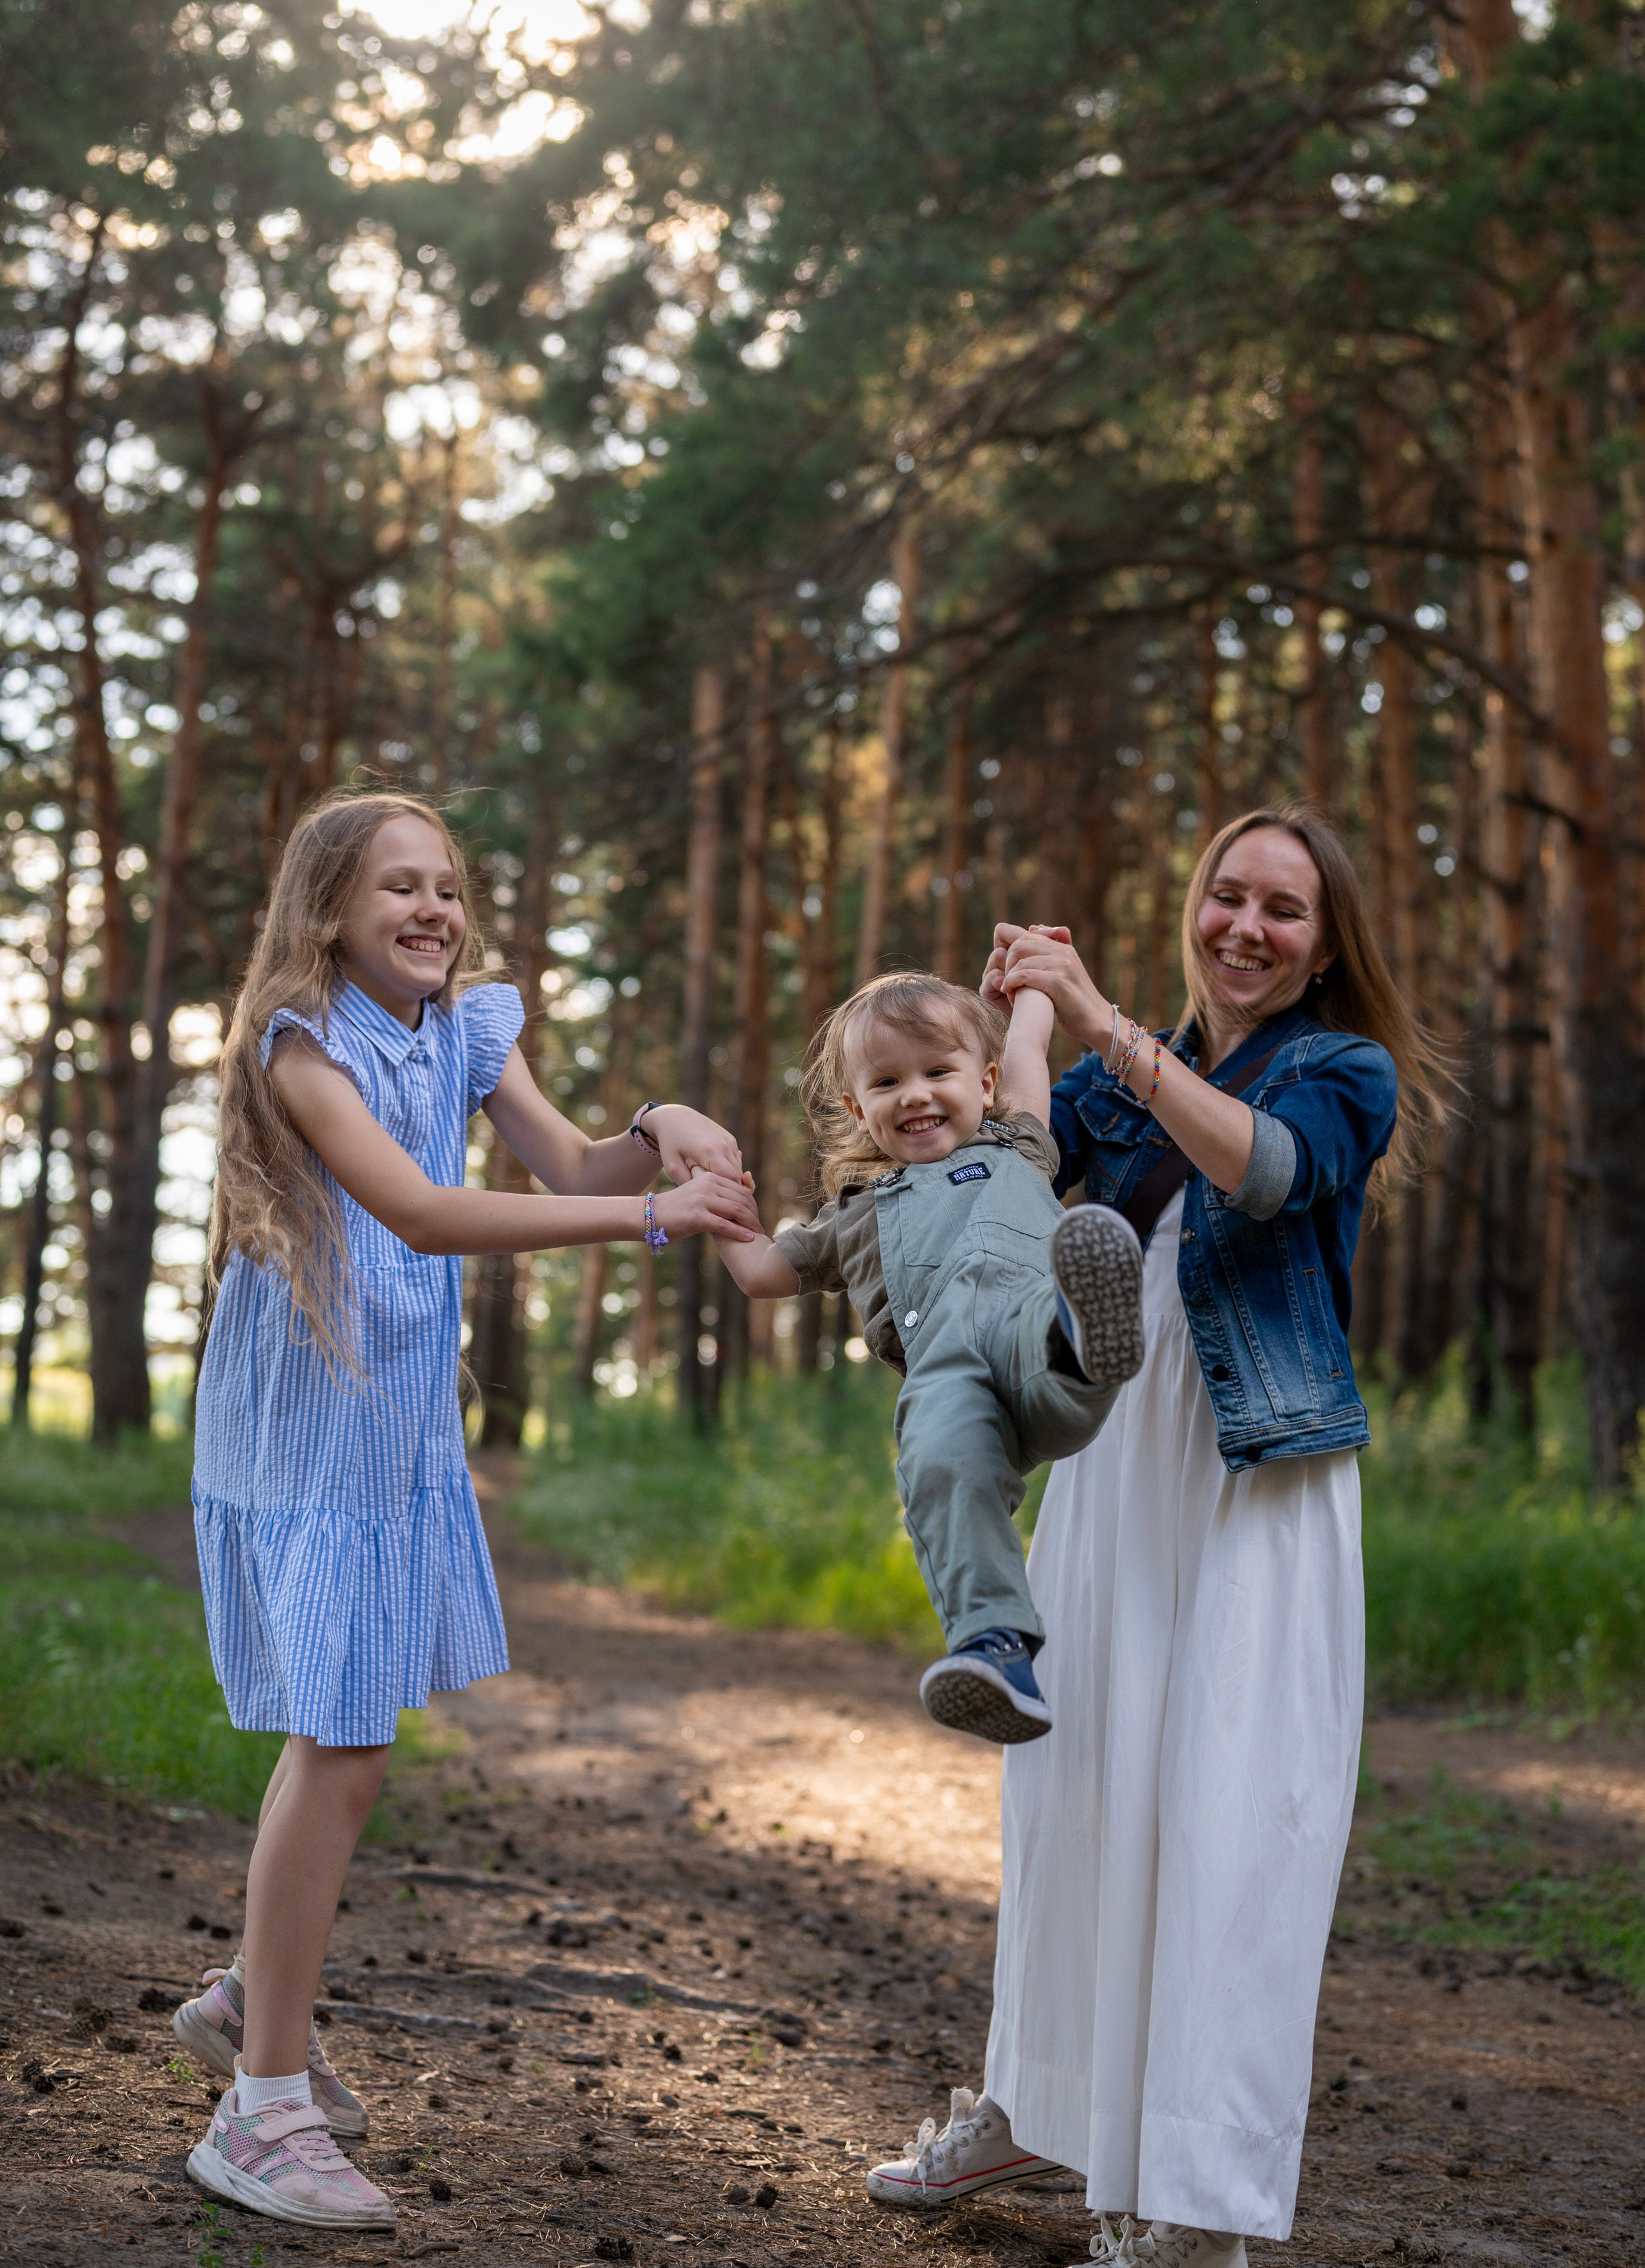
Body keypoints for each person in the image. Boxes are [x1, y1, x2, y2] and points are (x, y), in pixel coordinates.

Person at [864, 805, 1445, 2268]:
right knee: (1074, 1790)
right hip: (1115, 1439)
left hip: (1257, 1468)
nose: (1246, 926)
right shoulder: (1117, 1076)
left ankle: (1194, 2201)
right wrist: (1015, 1019)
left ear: (1325, 946)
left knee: (1232, 1816)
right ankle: (1038, 2098)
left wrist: (1101, 1021)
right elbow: (1014, 1152)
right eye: (1226, 895)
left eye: (1284, 909)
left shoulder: (1341, 1068)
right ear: (1193, 904)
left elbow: (1261, 1171)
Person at [173, 789, 760, 2233]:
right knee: (346, 1739)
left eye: (447, 884)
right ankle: (259, 2111)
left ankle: (255, 1997)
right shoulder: (304, 1045)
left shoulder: (465, 1029)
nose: (433, 908)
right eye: (399, 886)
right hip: (308, 1418)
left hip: (390, 1423)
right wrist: (653, 1217)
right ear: (329, 913)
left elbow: (570, 1162)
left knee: (342, 1730)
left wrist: (657, 1130)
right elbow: (424, 1213)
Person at [713, 968, 1144, 1743]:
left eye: (937, 1071)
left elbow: (1029, 1045)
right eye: (886, 1082)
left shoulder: (1018, 1141)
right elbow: (759, 1272)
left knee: (1041, 1336)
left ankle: (1083, 1333)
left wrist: (1034, 974)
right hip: (949, 1375)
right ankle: (995, 1650)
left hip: (1025, 1327)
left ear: (985, 1084)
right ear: (857, 1109)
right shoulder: (851, 1217)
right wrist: (711, 1199)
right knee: (936, 1461)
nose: (914, 1094)